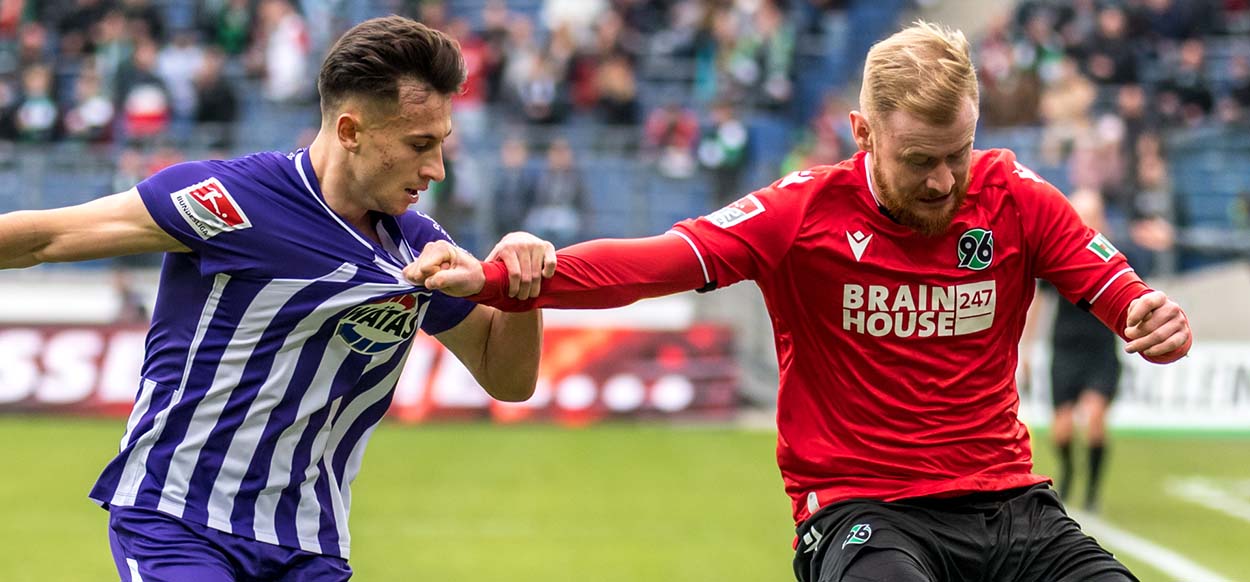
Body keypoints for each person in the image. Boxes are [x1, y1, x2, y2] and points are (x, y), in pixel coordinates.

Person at [411, 21, 1193, 582]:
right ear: (862, 133)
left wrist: (1147, 314)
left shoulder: (1015, 195)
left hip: (1008, 503)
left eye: (958, 154)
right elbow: (657, 262)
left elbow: (1116, 288)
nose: (944, 181)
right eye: (920, 160)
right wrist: (503, 276)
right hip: (867, 513)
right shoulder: (801, 213)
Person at [0, 16, 553, 581]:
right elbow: (46, 237)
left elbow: (508, 378)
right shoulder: (229, 201)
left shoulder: (419, 249)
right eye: (419, 145)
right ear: (350, 131)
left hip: (309, 544)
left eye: (441, 144)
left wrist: (520, 282)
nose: (436, 169)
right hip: (178, 520)